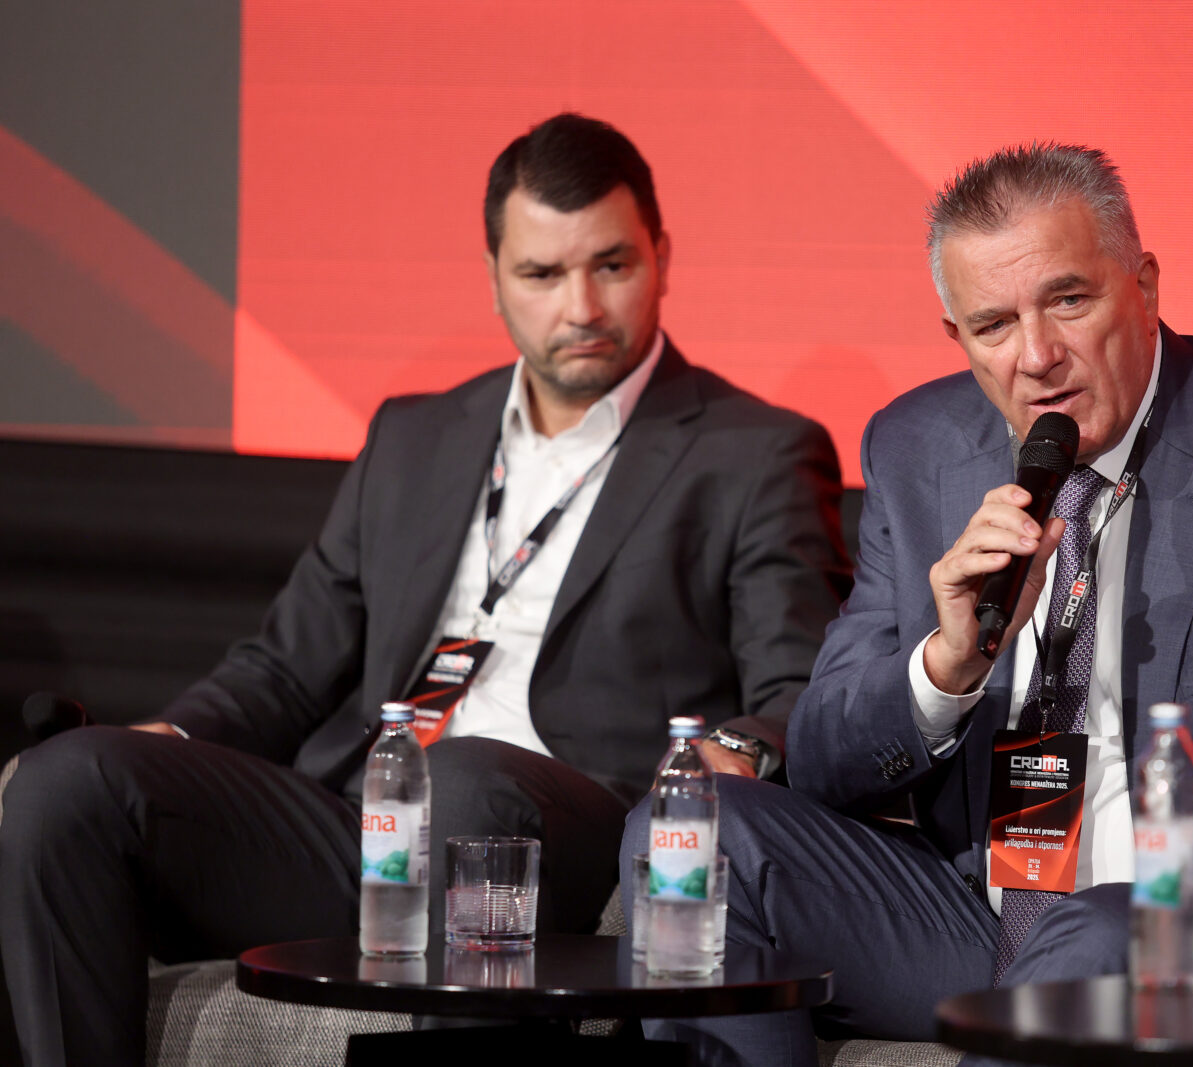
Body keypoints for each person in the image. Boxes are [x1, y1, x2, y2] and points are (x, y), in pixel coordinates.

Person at [0, 113, 851, 1066]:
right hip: (374, 820)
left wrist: (735, 753)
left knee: (470, 777)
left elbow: (799, 689)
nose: (581, 306)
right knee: (64, 782)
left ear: (663, 256)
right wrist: (179, 732)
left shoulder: (753, 452)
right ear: (493, 277)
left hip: (567, 827)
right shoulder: (413, 436)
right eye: (542, 274)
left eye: (611, 265)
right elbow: (285, 666)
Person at [621, 143, 1193, 1065]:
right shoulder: (917, 448)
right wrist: (944, 667)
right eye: (994, 325)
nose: (1037, 357)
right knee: (690, 832)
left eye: (1069, 300)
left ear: (1144, 287)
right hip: (974, 915)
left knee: (1101, 928)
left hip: (1184, 917)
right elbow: (828, 758)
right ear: (957, 338)